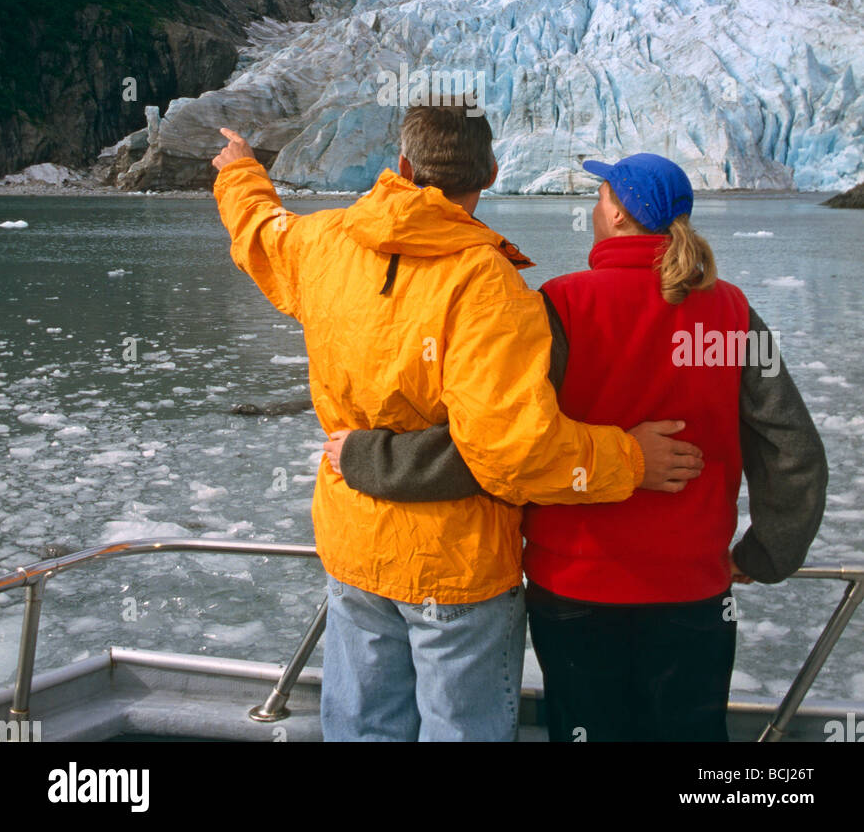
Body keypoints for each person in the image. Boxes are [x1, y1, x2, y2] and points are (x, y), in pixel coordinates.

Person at [212, 111, 705, 742]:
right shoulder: (487, 283)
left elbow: (261, 232)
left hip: (354, 546)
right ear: (492, 174)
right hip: (459, 569)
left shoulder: (326, 243)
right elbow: (515, 451)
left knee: (362, 730)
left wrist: (240, 174)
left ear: (404, 167)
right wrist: (629, 459)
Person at [328, 152, 828, 742]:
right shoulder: (732, 314)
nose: (594, 209)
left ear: (616, 214)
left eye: (600, 197)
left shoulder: (560, 306)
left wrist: (369, 458)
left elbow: (496, 445)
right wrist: (765, 554)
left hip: (575, 587)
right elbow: (793, 451)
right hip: (695, 588)